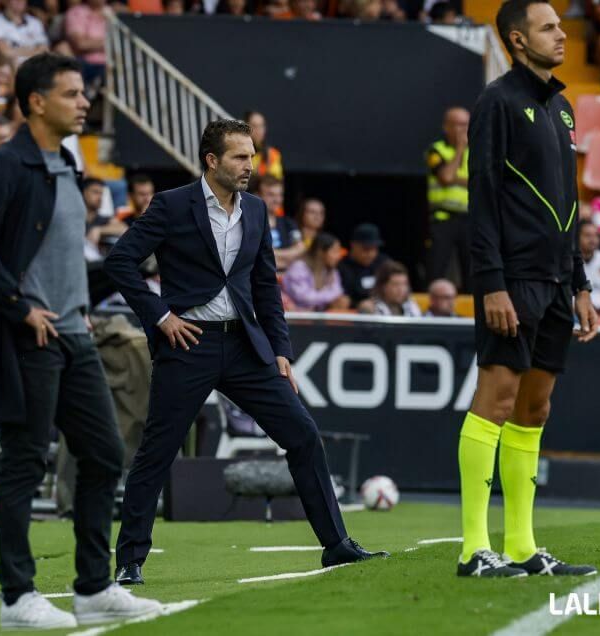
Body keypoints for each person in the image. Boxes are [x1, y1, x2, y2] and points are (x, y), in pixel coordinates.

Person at [105, 118, 388, 587]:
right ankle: (129, 560)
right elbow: (120, 261)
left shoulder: (256, 211)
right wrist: (161, 316)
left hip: (244, 345)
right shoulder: (171, 205)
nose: (249, 166)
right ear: (211, 160)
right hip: (187, 342)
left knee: (301, 434)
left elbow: (265, 287)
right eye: (240, 156)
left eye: (252, 156)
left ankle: (336, 545)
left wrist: (281, 351)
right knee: (156, 452)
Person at [0, 53, 160, 630]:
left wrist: (86, 302)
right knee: (24, 462)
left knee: (103, 453)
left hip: (76, 334)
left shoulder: (67, 162)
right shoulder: (6, 165)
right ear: (36, 101)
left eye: (83, 93)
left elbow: (58, 254)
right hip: (30, 339)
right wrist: (18, 306)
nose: (84, 102)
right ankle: (17, 597)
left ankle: (93, 589)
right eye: (71, 94)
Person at [458, 0, 598, 578]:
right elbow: (482, 196)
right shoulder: (497, 102)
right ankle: (472, 548)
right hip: (511, 281)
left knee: (534, 409)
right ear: (517, 40)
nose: (561, 35)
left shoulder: (563, 109)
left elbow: (569, 204)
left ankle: (521, 545)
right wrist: (490, 284)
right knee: (494, 399)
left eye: (561, 26)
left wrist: (582, 283)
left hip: (557, 283)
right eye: (548, 28)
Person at [426, 106, 471, 290]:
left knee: (472, 270)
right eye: (458, 125)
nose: (463, 129)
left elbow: (483, 182)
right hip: (442, 218)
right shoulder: (436, 150)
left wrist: (456, 180)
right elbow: (445, 177)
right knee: (437, 268)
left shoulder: (477, 150)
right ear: (446, 126)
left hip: (469, 219)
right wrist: (459, 149)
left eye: (466, 124)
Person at [282, 232, 350, 311]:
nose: (338, 256)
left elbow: (338, 292)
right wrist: (330, 298)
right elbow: (305, 298)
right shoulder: (299, 267)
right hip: (295, 316)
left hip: (319, 317)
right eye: (334, 251)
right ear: (320, 252)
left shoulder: (331, 271)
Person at [256, 175, 304, 270]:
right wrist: (288, 257)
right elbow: (254, 254)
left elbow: (300, 249)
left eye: (280, 195)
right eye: (271, 195)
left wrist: (271, 254)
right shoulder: (251, 222)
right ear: (257, 196)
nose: (277, 200)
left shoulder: (288, 223)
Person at [337, 223, 389, 304]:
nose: (371, 254)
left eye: (374, 249)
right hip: (357, 311)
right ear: (353, 245)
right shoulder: (341, 267)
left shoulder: (384, 262)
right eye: (366, 248)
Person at [0, 0, 50, 66]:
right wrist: (34, 51)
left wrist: (18, 51)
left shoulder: (35, 22)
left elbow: (45, 49)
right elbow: (4, 52)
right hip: (14, 65)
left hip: (36, 63)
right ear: (6, 1)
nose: (20, 1)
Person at [357, 260, 421, 316]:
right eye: (396, 284)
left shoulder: (411, 305)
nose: (401, 290)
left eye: (404, 284)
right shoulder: (370, 308)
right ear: (383, 286)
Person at [578, 219, 600, 312]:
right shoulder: (569, 260)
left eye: (596, 235)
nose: (593, 239)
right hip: (575, 309)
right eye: (587, 235)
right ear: (577, 237)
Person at [246, 110, 283, 180]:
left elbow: (275, 182)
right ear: (246, 127)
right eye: (254, 125)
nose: (258, 130)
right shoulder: (238, 152)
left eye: (261, 125)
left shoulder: (273, 154)